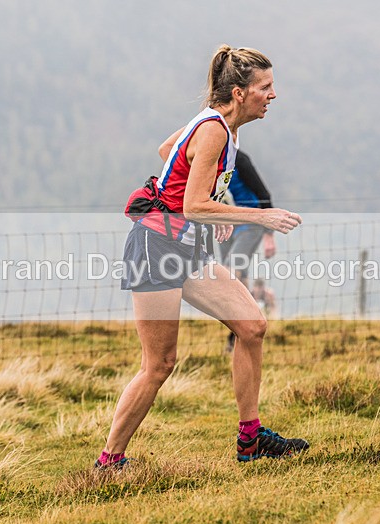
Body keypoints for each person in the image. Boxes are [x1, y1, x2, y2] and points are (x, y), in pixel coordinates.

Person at [95, 45, 309, 469]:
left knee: (251, 326)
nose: (273, 95)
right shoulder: (213, 129)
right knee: (159, 364)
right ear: (239, 93)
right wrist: (253, 214)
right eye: (265, 87)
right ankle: (109, 461)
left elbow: (168, 151)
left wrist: (211, 204)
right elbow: (191, 206)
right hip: (156, 247)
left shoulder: (221, 128)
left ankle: (251, 439)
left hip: (186, 247)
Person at [220, 150, 277, 352]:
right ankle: (243, 332)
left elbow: (263, 194)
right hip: (224, 225)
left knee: (229, 274)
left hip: (250, 224)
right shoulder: (206, 158)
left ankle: (241, 331)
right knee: (239, 280)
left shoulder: (239, 159)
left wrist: (269, 234)